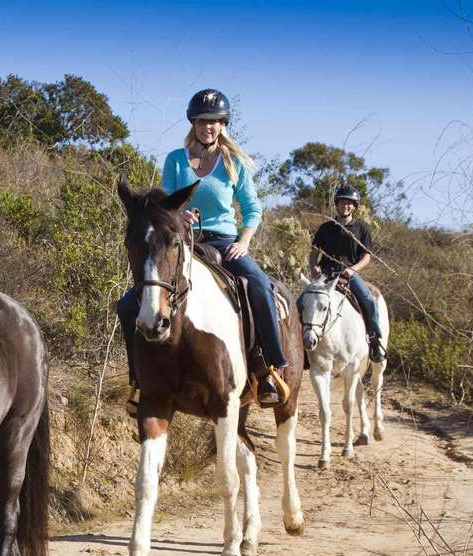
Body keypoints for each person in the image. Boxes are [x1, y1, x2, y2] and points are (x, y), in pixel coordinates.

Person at [117, 88, 289, 410]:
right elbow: (166, 205)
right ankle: (139, 380)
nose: (207, 127)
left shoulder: (235, 162)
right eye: (201, 121)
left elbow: (252, 209)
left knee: (260, 285)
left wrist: (243, 242)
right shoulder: (176, 160)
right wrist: (179, 216)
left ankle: (268, 367)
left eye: (213, 121)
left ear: (222, 124)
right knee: (127, 305)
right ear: (193, 124)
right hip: (183, 242)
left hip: (224, 241)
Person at [307, 185, 386, 363]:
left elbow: (366, 257)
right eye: (342, 202)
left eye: (350, 203)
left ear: (354, 206)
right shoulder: (326, 227)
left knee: (368, 300)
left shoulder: (361, 228)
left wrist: (352, 270)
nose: (346, 205)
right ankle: (300, 344)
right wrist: (314, 267)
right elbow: (313, 253)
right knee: (303, 301)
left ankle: (374, 341)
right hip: (325, 275)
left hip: (348, 275)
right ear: (337, 204)